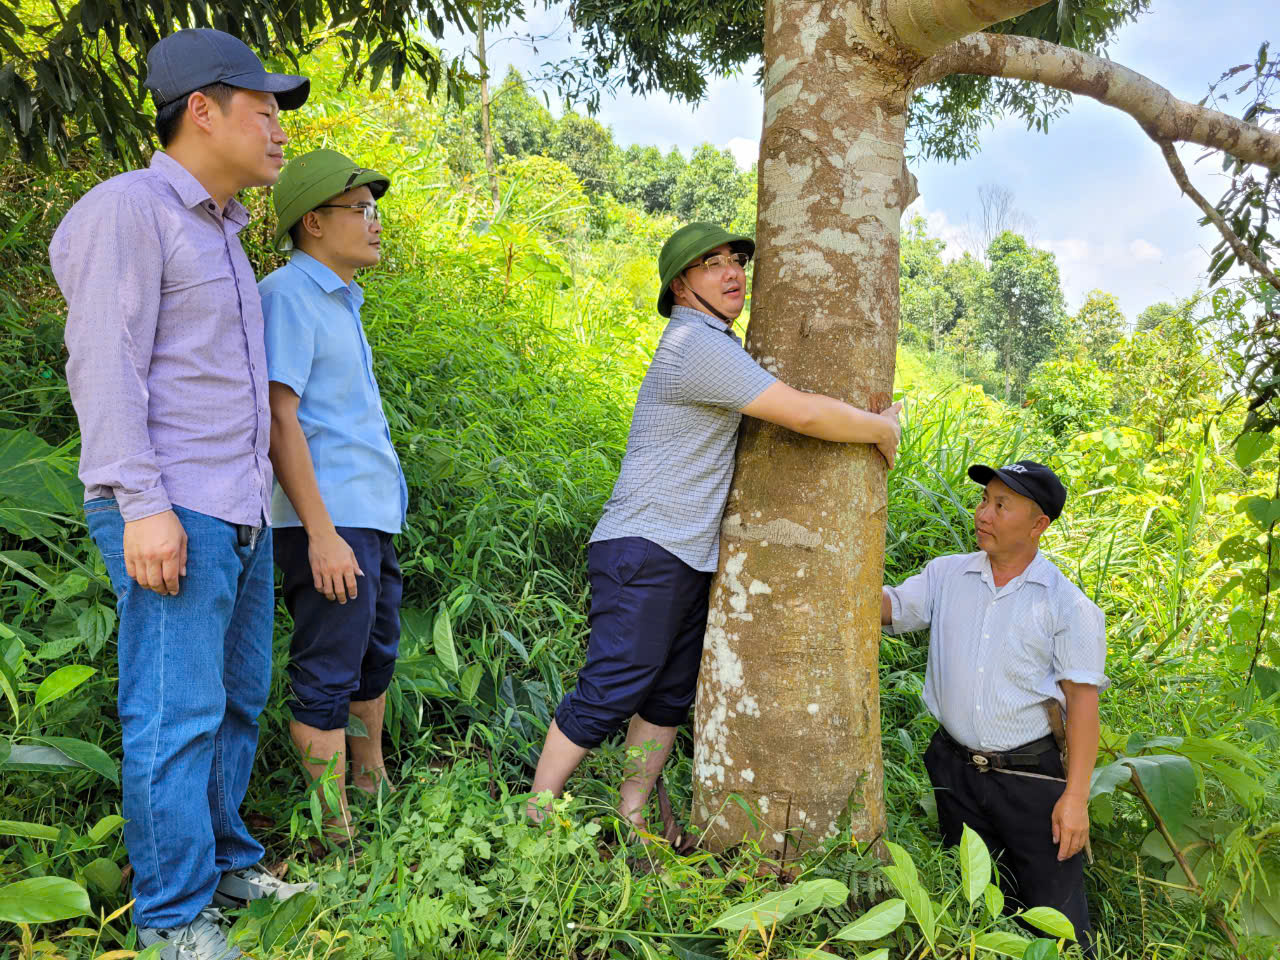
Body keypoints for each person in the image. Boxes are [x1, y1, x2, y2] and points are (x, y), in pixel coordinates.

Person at [50, 28, 313, 960]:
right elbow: (106, 365)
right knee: (174, 712)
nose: (280, 130)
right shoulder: (130, 210)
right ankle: (170, 918)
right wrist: (142, 504)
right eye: (265, 109)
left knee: (235, 700)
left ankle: (226, 862)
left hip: (232, 510)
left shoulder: (225, 230)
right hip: (172, 505)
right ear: (202, 110)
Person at [529, 221, 903, 840]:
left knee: (667, 695)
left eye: (735, 261)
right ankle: (537, 814)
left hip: (683, 554)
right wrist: (879, 428)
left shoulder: (719, 345)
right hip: (645, 545)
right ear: (681, 285)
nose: (733, 273)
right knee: (614, 683)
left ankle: (633, 812)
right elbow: (802, 412)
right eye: (712, 265)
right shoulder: (695, 345)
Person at [881, 461, 1106, 953]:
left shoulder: (1067, 606)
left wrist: (1074, 799)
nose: (983, 513)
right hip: (954, 770)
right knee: (974, 900)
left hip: (1029, 782)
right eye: (985, 499)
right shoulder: (947, 575)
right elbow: (891, 608)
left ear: (1038, 524)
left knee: (1057, 920)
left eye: (1001, 505)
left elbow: (1083, 707)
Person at [259, 149, 408, 846]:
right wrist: (320, 534)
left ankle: (371, 785)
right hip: (329, 520)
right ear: (313, 223)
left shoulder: (341, 301)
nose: (375, 223)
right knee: (326, 670)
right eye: (361, 210)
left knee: (373, 657)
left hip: (367, 516)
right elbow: (278, 417)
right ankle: (334, 830)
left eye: (375, 209)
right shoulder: (288, 296)